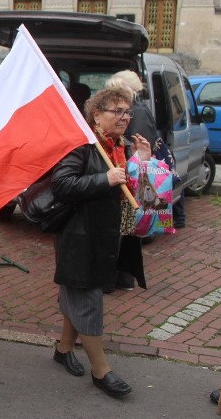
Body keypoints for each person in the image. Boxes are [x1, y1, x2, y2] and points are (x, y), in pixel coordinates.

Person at [50, 87, 151, 397]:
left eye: (127, 112)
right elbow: (61, 184)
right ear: (96, 115)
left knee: (78, 292)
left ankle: (64, 349)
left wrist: (142, 161)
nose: (124, 117)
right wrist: (102, 180)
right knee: (88, 299)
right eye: (117, 111)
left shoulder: (119, 146)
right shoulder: (82, 144)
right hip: (81, 237)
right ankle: (101, 370)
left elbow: (135, 191)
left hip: (107, 235)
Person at [107, 69, 186, 229]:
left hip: (140, 166)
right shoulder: (136, 108)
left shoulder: (137, 111)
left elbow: (139, 143)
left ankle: (142, 225)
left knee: (142, 202)